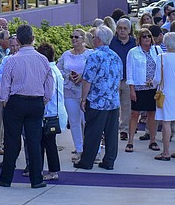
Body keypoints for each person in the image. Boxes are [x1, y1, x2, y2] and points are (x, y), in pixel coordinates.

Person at [0, 24, 54, 189]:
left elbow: (5, 82)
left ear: (18, 41)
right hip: (36, 102)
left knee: (11, 141)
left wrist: (4, 99)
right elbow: (50, 82)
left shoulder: (12, 60)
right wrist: (45, 98)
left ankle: (6, 178)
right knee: (34, 141)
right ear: (33, 39)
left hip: (16, 101)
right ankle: (37, 179)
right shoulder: (43, 59)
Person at [75, 25, 123, 171]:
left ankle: (87, 161)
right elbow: (119, 79)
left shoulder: (94, 56)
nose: (93, 39)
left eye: (94, 37)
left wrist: (83, 99)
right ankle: (109, 161)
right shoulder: (116, 56)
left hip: (97, 101)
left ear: (99, 39)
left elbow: (87, 80)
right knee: (111, 133)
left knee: (92, 132)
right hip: (113, 101)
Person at [57, 28, 93, 163]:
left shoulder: (90, 54)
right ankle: (79, 149)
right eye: (71, 36)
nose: (73, 39)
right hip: (70, 91)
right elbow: (58, 69)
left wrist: (82, 76)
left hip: (86, 92)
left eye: (76, 37)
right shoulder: (66, 54)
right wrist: (68, 76)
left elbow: (94, 70)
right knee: (74, 122)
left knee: (87, 122)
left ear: (83, 39)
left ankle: (94, 150)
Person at [152, 33, 175, 161]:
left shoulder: (161, 57)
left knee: (166, 122)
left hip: (165, 92)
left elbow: (157, 78)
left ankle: (166, 152)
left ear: (165, 43)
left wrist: (152, 83)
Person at [124, 27, 159, 153]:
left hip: (153, 87)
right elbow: (130, 71)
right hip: (139, 87)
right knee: (135, 114)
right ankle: (130, 141)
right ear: (139, 39)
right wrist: (132, 89)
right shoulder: (133, 52)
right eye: (144, 36)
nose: (147, 38)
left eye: (149, 36)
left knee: (152, 114)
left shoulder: (157, 50)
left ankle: (153, 140)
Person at [36, 43, 66, 181]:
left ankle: (53, 171)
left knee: (48, 143)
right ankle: (41, 169)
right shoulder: (55, 70)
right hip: (54, 111)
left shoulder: (49, 72)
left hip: (50, 113)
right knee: (46, 142)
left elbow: (48, 94)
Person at [108, 18, 135, 142]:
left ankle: (124, 130)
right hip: (113, 80)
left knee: (126, 106)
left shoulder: (134, 43)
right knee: (113, 106)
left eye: (125, 28)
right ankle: (111, 129)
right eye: (120, 28)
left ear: (129, 30)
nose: (122, 31)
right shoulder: (111, 42)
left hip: (128, 80)